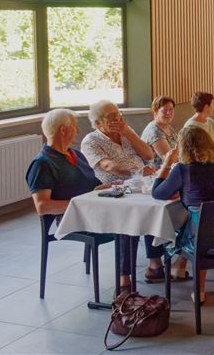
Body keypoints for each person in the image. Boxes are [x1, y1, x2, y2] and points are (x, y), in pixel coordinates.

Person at [81, 100, 163, 288]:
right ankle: (124, 280)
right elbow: (108, 166)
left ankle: (155, 265)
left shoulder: (126, 133)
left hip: (140, 184)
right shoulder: (91, 141)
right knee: (129, 219)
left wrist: (127, 132)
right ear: (98, 123)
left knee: (156, 205)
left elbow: (148, 155)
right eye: (111, 117)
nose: (117, 119)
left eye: (118, 114)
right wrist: (136, 172)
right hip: (113, 191)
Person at [151, 126, 214, 303]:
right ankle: (180, 266)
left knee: (185, 222)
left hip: (201, 237)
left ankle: (199, 290)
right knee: (194, 219)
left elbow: (158, 193)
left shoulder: (183, 169)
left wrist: (166, 164)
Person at [26, 109, 109, 216]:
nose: (78, 130)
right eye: (75, 126)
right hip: (74, 219)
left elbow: (90, 186)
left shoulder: (77, 155)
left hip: (93, 211)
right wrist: (84, 202)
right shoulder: (42, 163)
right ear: (63, 130)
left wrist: (98, 191)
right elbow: (43, 207)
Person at [141, 95, 178, 168]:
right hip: (158, 174)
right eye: (164, 110)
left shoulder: (168, 127)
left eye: (171, 109)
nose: (168, 113)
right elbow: (170, 159)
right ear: (155, 111)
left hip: (171, 169)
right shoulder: (154, 131)